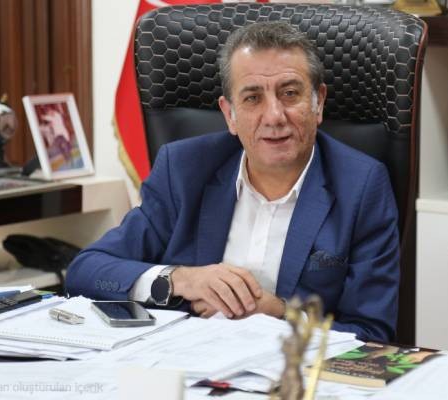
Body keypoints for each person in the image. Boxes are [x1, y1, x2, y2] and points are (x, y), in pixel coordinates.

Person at [66, 21, 400, 342]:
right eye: (253, 98)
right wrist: (180, 280)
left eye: (290, 93)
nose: (274, 116)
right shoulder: (183, 170)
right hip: (187, 360)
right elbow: (86, 270)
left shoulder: (361, 186)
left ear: (318, 102)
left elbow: (372, 333)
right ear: (230, 115)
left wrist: (280, 314)